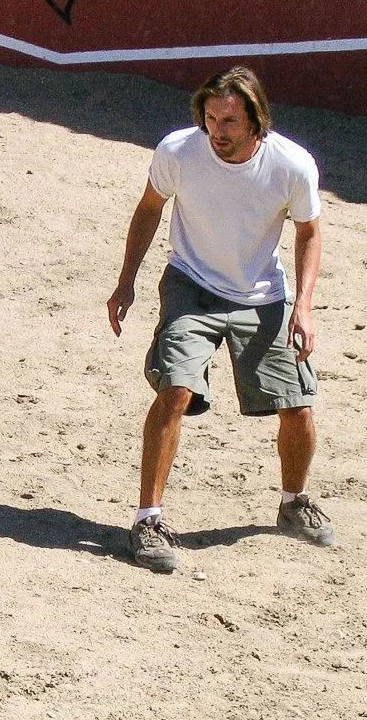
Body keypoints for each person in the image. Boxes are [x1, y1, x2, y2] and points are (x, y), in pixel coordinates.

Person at [106, 65, 333, 574]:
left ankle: (294, 500)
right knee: (175, 389)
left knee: (297, 404)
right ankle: (148, 520)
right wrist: (127, 280)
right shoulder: (178, 151)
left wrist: (303, 305)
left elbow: (309, 233)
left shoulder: (292, 165)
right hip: (191, 284)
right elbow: (148, 210)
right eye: (211, 119)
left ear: (256, 120)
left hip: (262, 295)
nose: (218, 133)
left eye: (229, 121)